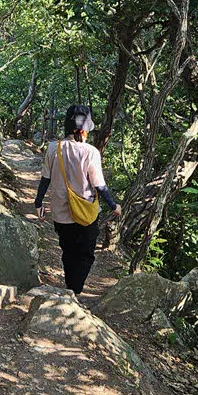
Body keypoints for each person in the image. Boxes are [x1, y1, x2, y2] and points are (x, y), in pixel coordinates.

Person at [32, 104, 121, 295]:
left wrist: (38, 203)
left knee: (68, 251)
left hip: (61, 212)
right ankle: (75, 291)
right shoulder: (90, 152)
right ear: (86, 129)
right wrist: (114, 205)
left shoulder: (53, 149)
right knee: (86, 255)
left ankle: (70, 289)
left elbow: (45, 179)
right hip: (86, 213)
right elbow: (99, 185)